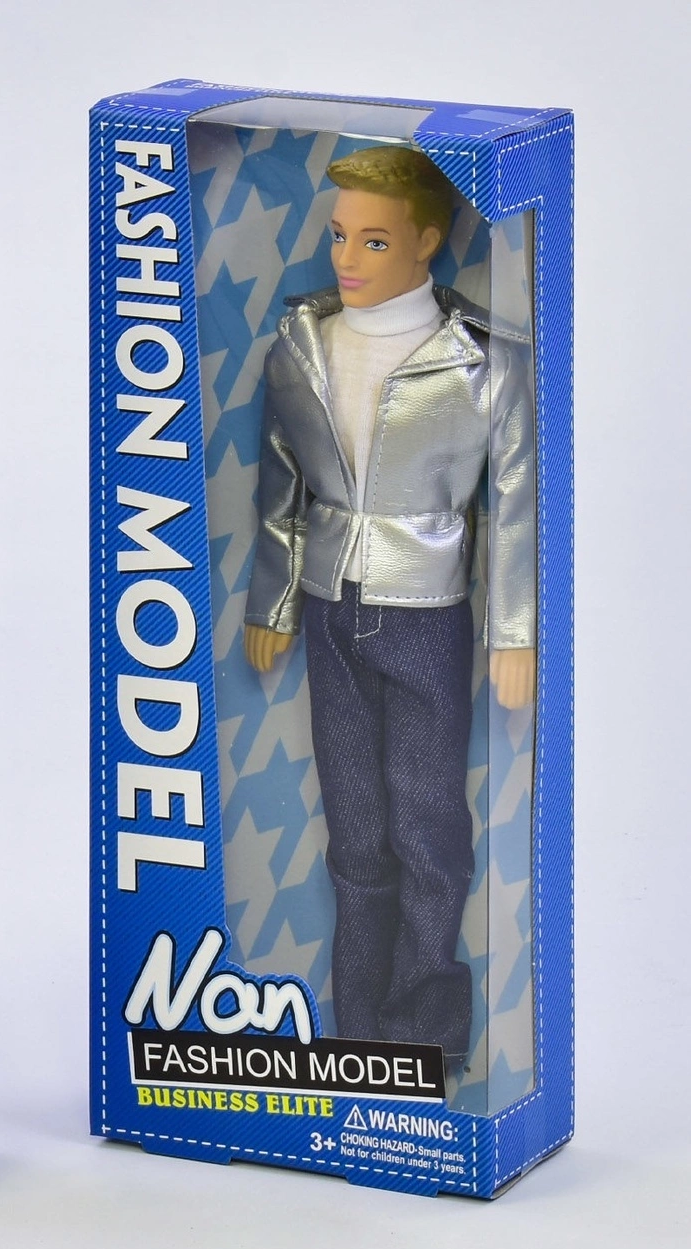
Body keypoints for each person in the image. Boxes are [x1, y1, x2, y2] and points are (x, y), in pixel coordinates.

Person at [244, 145, 534, 1068]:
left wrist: (515, 631)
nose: (346, 258)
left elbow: (516, 505)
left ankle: (427, 1039)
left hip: (426, 609)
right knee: (356, 836)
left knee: (428, 832)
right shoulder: (303, 345)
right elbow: (281, 487)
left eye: (373, 240)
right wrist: (271, 602)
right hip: (329, 603)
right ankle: (360, 1037)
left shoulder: (481, 360)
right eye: (338, 236)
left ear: (427, 242)